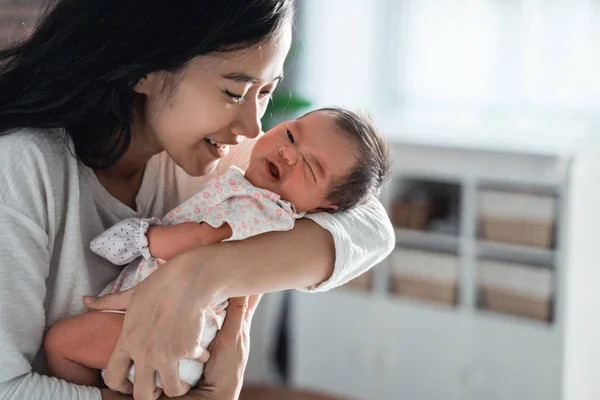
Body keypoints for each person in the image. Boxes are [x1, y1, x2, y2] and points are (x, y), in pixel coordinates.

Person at [0, 1, 394, 400]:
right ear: (144, 69)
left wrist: (204, 273)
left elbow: (371, 229)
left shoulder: (209, 157)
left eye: (267, 93)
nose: (252, 126)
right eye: (234, 91)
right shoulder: (22, 167)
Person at [43, 107, 391, 392]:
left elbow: (202, 237)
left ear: (327, 207)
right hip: (180, 338)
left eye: (311, 168)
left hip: (171, 330)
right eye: (290, 134)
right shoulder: (249, 186)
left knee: (61, 343)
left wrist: (146, 238)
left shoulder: (260, 207)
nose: (287, 153)